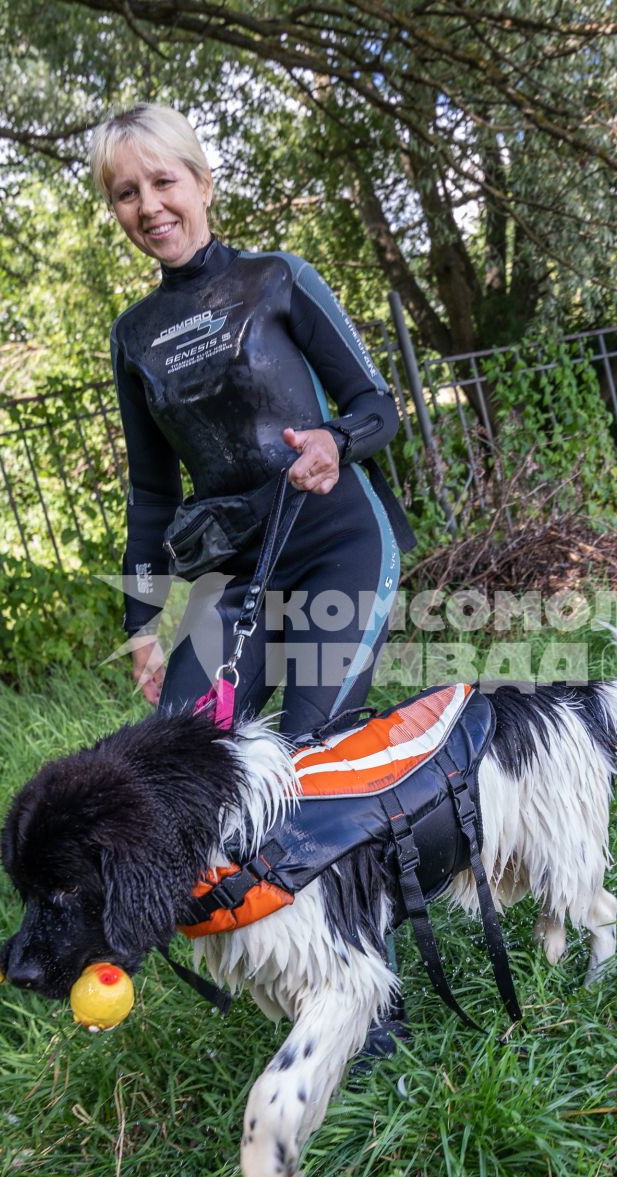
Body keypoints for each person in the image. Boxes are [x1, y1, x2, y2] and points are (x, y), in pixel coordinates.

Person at [92, 104, 417, 741]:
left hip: (339, 544)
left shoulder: (276, 279)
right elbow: (153, 495)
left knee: (314, 750)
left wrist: (335, 439)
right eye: (128, 194)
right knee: (177, 761)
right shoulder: (133, 338)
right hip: (239, 574)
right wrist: (142, 625)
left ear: (202, 182)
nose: (150, 206)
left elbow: (380, 410)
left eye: (163, 182)